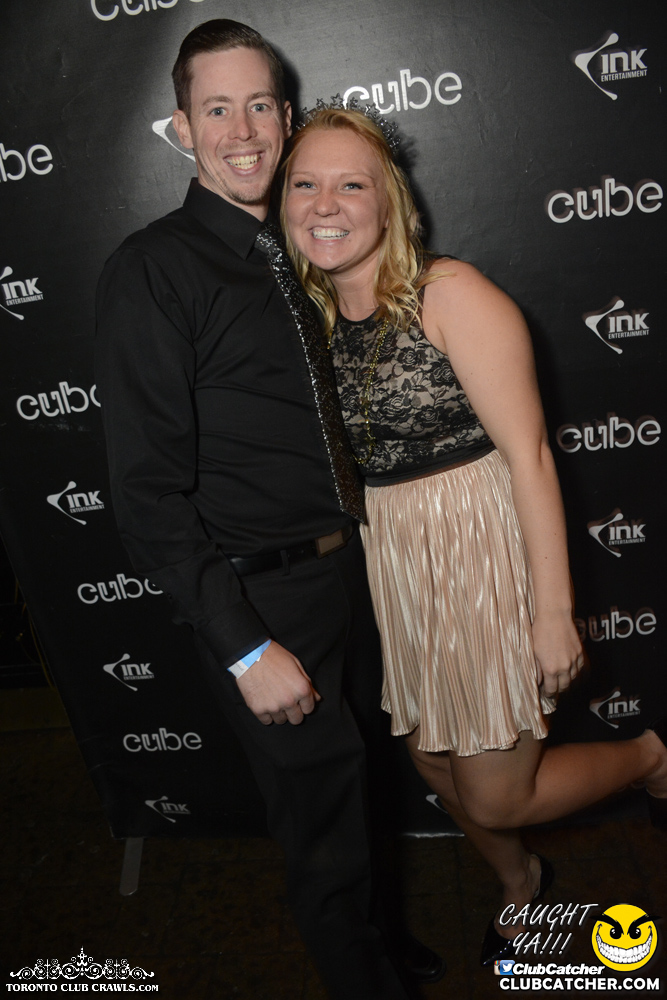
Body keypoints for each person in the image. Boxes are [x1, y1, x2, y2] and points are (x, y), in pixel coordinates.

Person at [95, 21, 443, 1000]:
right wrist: (245, 648)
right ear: (181, 128)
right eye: (217, 109)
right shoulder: (153, 269)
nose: (242, 130)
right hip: (262, 601)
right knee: (321, 833)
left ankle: (383, 940)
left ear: (285, 118)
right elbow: (146, 491)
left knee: (359, 788)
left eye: (259, 105)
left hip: (346, 575)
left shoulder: (297, 246)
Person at [281, 102, 667, 967]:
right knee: (432, 767)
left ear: (390, 201)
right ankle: (522, 882)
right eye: (304, 184)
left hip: (480, 549)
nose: (325, 204)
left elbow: (529, 455)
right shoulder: (307, 318)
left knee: (495, 795)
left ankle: (649, 757)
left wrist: (552, 612)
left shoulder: (448, 294)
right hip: (399, 562)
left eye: (351, 185)